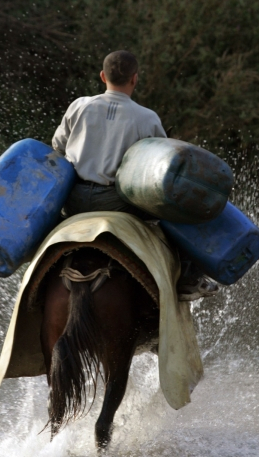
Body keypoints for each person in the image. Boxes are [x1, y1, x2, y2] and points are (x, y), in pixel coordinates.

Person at [52, 50, 218, 301]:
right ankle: (188, 280)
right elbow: (162, 170)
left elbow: (57, 147)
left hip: (72, 199)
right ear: (135, 79)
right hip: (116, 201)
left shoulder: (79, 106)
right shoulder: (146, 118)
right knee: (176, 210)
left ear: (102, 76)